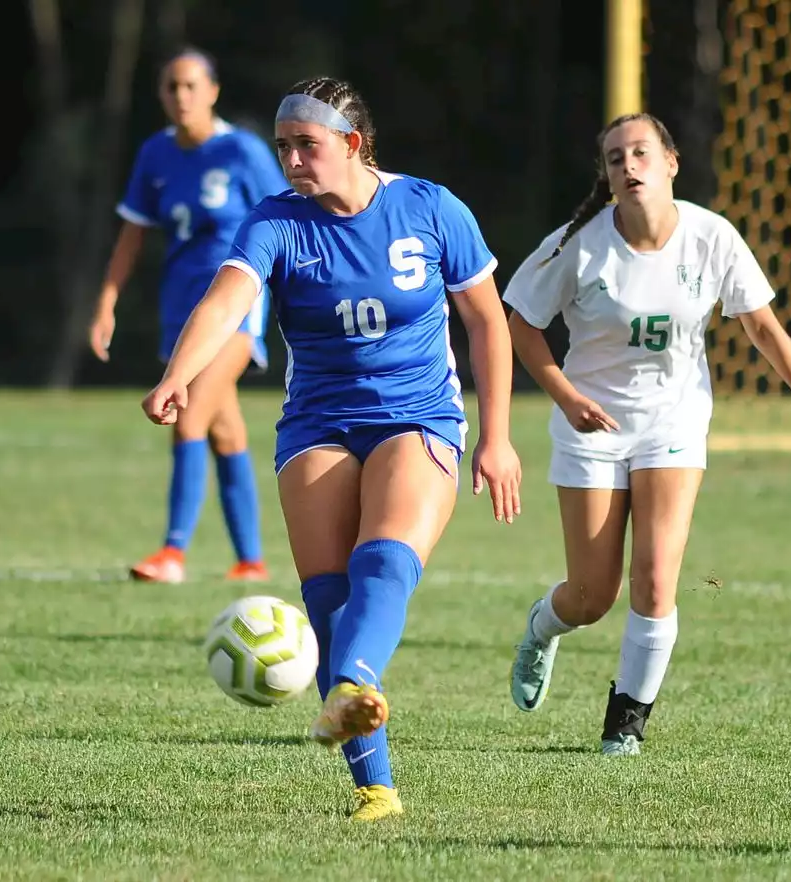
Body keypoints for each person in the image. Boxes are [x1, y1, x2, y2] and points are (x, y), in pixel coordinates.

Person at [142, 77, 522, 821]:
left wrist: (499, 437)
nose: (289, 160)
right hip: (317, 422)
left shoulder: (432, 208)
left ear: (353, 143)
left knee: (382, 561)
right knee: (327, 603)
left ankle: (350, 680)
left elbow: (486, 322)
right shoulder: (276, 221)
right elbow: (225, 299)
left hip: (419, 415)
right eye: (282, 146)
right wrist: (176, 375)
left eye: (304, 145)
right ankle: (375, 790)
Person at [502, 112, 791, 756]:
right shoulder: (578, 243)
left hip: (673, 420)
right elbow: (520, 321)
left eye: (640, 152)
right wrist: (566, 395)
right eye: (614, 158)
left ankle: (624, 728)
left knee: (657, 578)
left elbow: (764, 329)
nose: (628, 165)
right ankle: (543, 626)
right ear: (606, 176)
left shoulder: (711, 237)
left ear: (670, 162)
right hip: (592, 426)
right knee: (591, 597)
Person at [91, 48, 289, 584]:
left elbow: (291, 218)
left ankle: (172, 553)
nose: (181, 97)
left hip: (236, 311)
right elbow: (134, 231)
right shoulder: (155, 154)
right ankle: (250, 561)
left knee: (190, 412)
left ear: (213, 91)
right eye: (171, 87)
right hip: (181, 310)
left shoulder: (242, 152)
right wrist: (107, 300)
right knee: (225, 432)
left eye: (191, 86)